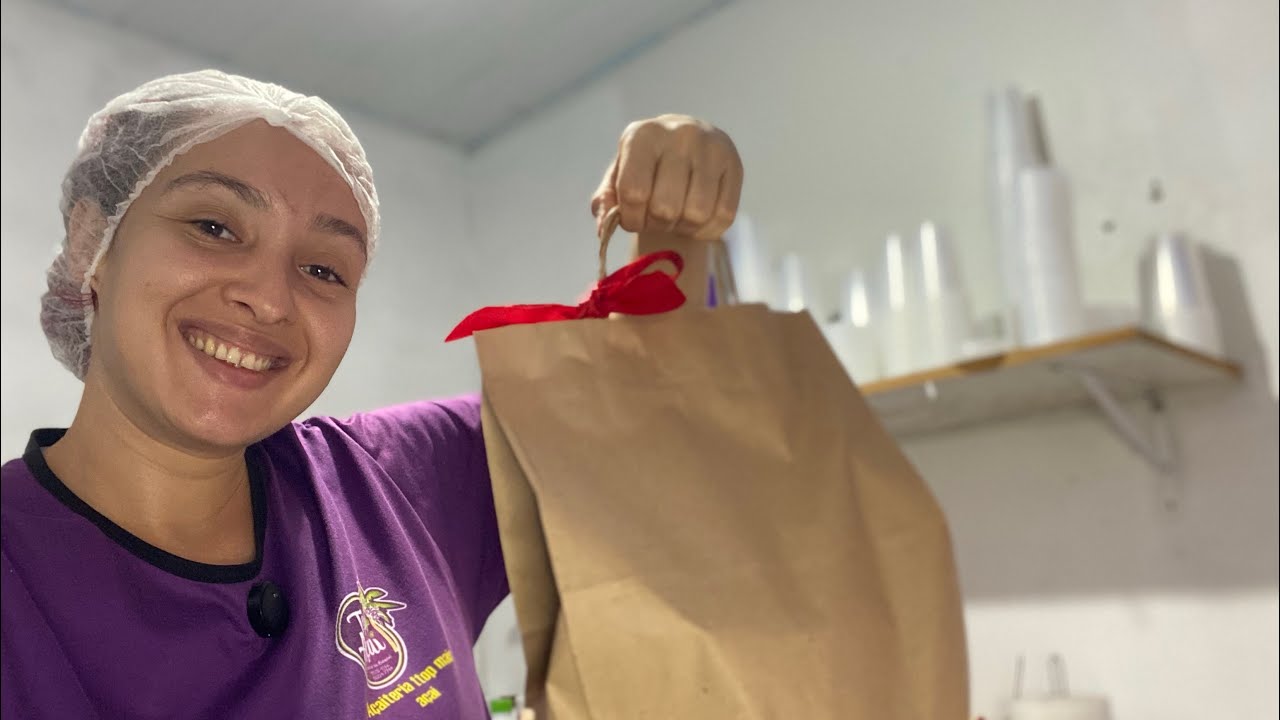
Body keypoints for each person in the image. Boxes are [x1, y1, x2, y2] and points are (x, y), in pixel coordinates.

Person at [0, 70, 743, 719]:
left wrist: (674, 223)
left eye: (324, 269)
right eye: (214, 226)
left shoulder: (396, 483)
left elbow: (645, 395)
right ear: (93, 242)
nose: (269, 299)